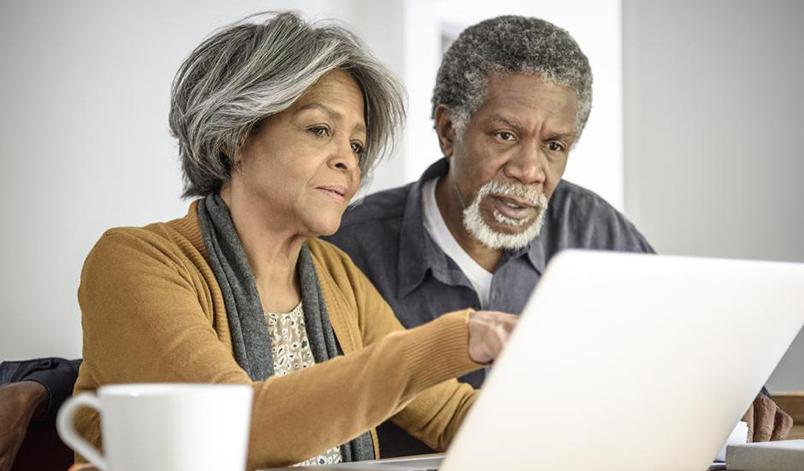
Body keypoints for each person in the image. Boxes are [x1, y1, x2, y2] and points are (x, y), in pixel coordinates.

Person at [325, 15, 793, 455]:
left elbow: (689, 343)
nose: (530, 171)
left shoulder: (592, 228)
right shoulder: (349, 246)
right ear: (449, 131)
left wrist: (736, 392)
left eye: (554, 146)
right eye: (505, 136)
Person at [69, 12, 517, 470]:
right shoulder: (133, 263)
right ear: (236, 138)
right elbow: (234, 432)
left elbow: (449, 414)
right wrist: (451, 339)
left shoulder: (336, 274)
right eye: (320, 130)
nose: (348, 161)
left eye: (357, 145)